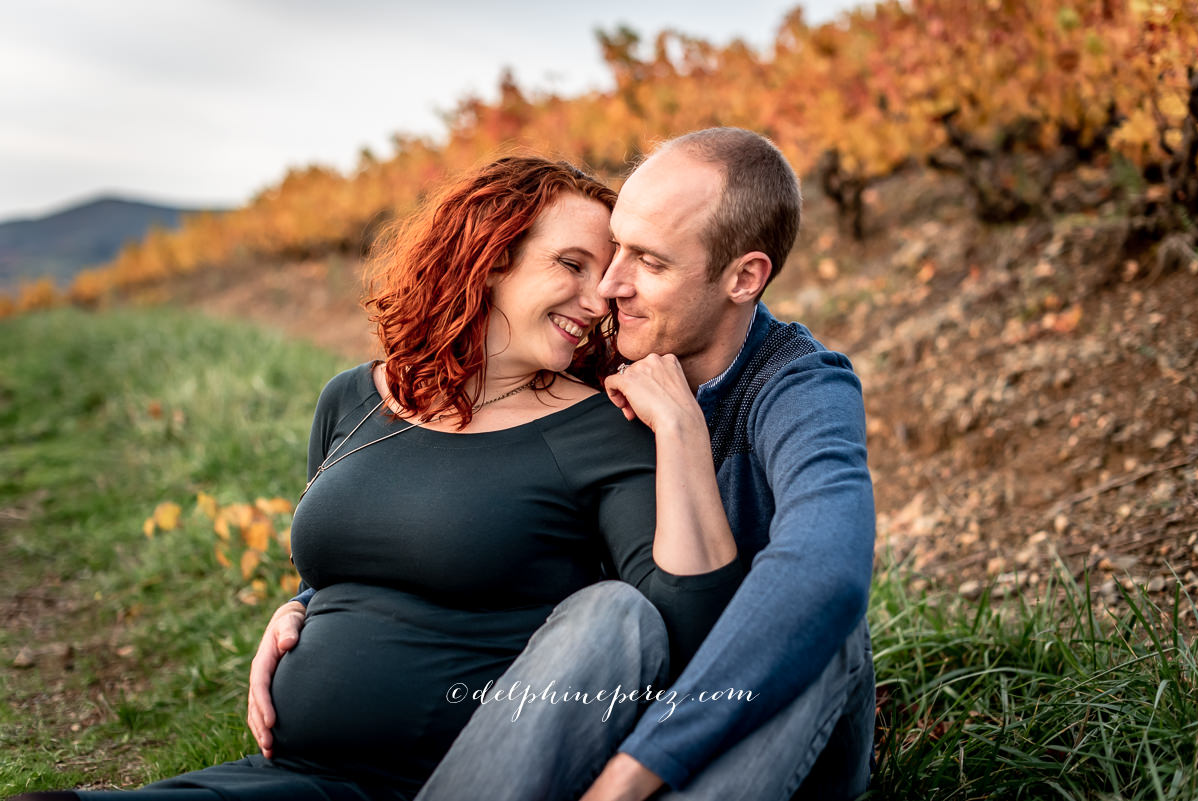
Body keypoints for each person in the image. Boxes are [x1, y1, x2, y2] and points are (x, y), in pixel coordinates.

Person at [11, 156, 745, 801]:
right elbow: (343, 564)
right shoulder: (355, 398)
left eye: (609, 273)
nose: (599, 299)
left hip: (459, 775)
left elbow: (675, 624)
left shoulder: (598, 426)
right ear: (489, 257)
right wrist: (299, 607)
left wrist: (679, 428)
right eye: (573, 264)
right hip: (293, 771)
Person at [251, 128, 877, 801]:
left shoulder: (798, 387)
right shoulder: (595, 374)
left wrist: (635, 768)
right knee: (610, 612)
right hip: (606, 707)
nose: (609, 288)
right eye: (611, 253)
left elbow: (825, 570)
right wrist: (314, 603)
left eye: (649, 261)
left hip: (732, 739)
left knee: (822, 632)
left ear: (743, 277)